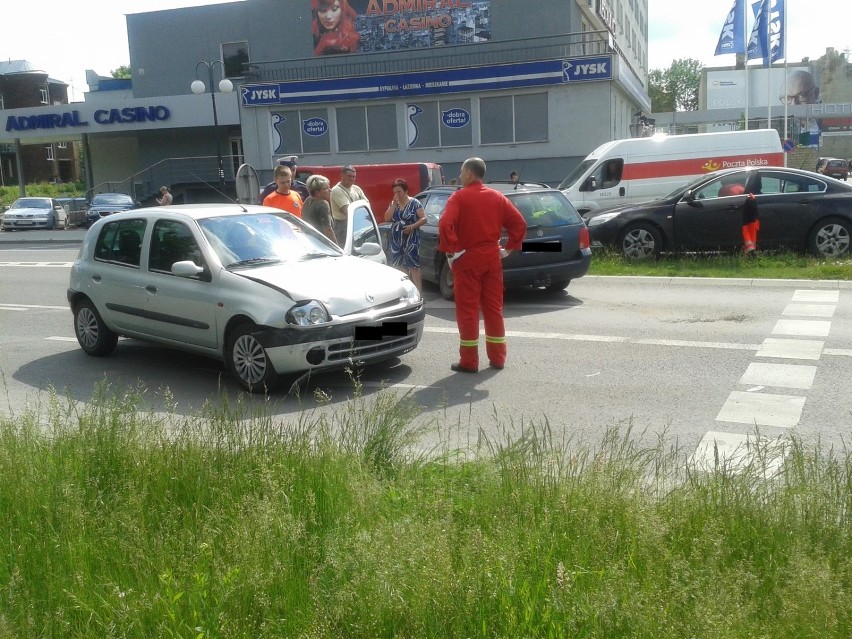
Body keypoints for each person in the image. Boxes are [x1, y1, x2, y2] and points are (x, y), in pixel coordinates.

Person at [438, 157, 527, 373]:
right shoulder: (497, 197)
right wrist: (509, 248)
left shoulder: (458, 197)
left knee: (468, 312)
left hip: (467, 260)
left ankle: (469, 362)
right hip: (491, 259)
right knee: (494, 310)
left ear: (469, 173)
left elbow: (444, 223)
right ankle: (498, 358)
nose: (459, 176)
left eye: (461, 172)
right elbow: (519, 223)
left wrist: (450, 249)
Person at [384, 178, 426, 293]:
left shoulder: (414, 203)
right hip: (397, 239)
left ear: (405, 191)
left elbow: (424, 218)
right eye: (395, 192)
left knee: (414, 266)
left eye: (399, 192)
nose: (397, 194)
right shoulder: (394, 204)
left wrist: (412, 227)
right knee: (400, 265)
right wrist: (393, 205)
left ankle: (419, 293)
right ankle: (408, 292)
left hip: (411, 238)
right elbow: (387, 218)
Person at [330, 165, 367, 246]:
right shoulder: (336, 190)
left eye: (354, 177)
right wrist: (361, 209)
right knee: (346, 251)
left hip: (358, 225)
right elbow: (347, 211)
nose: (352, 179)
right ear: (342, 176)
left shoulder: (356, 188)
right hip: (343, 226)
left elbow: (367, 206)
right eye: (349, 176)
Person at [302, 174, 338, 244]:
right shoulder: (323, 204)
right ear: (317, 192)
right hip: (321, 244)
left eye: (329, 187)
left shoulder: (307, 200)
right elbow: (328, 230)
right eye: (325, 188)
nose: (330, 190)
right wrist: (337, 247)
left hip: (309, 241)